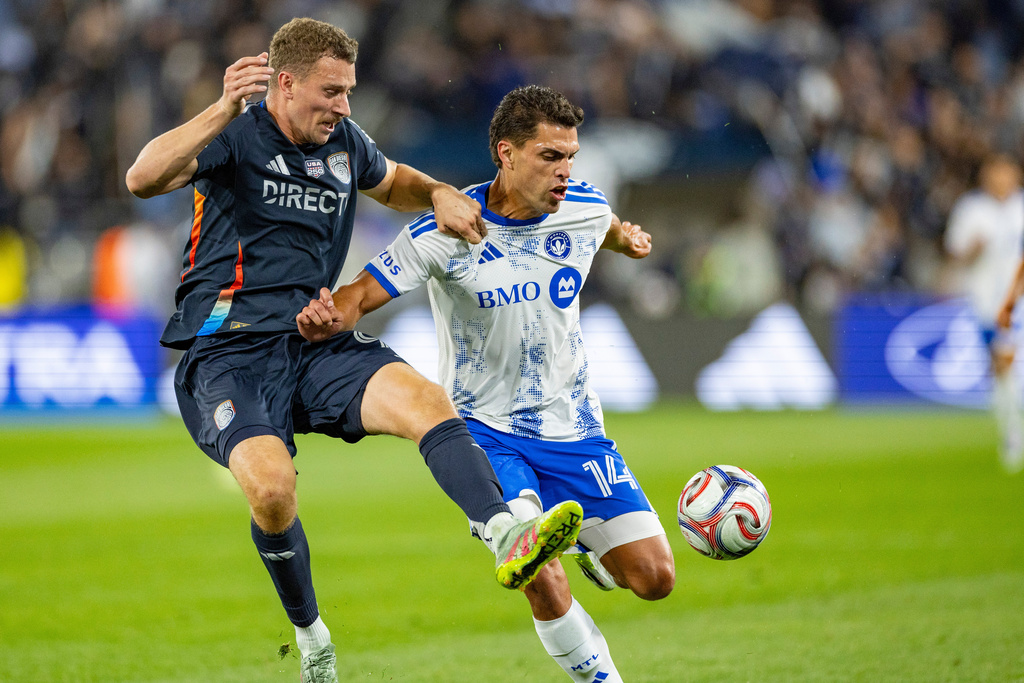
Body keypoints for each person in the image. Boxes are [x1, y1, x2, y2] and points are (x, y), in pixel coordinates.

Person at [125, 19, 582, 683]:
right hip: (226, 354)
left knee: (426, 400)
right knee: (274, 490)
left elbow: (393, 180)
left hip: (313, 341)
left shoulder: (344, 143)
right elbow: (142, 178)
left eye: (348, 92)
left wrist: (439, 194)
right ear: (285, 84)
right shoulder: (236, 135)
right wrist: (222, 107)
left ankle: (505, 531)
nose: (343, 105)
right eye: (331, 91)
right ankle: (313, 640)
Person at [297, 85, 676, 682]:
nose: (566, 171)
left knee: (655, 581)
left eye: (571, 156)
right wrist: (324, 316)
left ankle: (587, 551)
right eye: (551, 157)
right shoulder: (445, 231)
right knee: (534, 568)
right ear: (506, 153)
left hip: (575, 431)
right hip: (486, 434)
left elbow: (602, 228)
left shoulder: (582, 207)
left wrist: (624, 240)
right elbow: (357, 298)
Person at [945, 152, 1024, 473]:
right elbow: (954, 252)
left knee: (1006, 362)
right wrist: (971, 250)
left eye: (1007, 172)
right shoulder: (971, 210)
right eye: (996, 172)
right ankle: (1011, 427)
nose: (1002, 179)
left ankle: (1013, 433)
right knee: (1000, 368)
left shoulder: (1021, 208)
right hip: (987, 303)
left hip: (1017, 299)